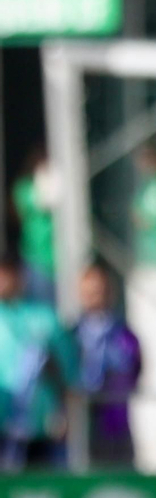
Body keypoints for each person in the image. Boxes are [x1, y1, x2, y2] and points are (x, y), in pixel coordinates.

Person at [0, 253, 76, 471]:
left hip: (41, 425)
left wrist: (64, 413)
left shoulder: (46, 319)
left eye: (8, 274)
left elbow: (67, 371)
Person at [73, 261, 142, 467]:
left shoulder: (122, 334)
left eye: (100, 291)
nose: (96, 297)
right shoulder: (73, 334)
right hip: (82, 420)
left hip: (115, 420)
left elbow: (135, 368)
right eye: (90, 292)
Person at [11, 146, 56, 303]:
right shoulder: (24, 188)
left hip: (60, 258)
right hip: (37, 258)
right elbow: (43, 201)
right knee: (42, 303)